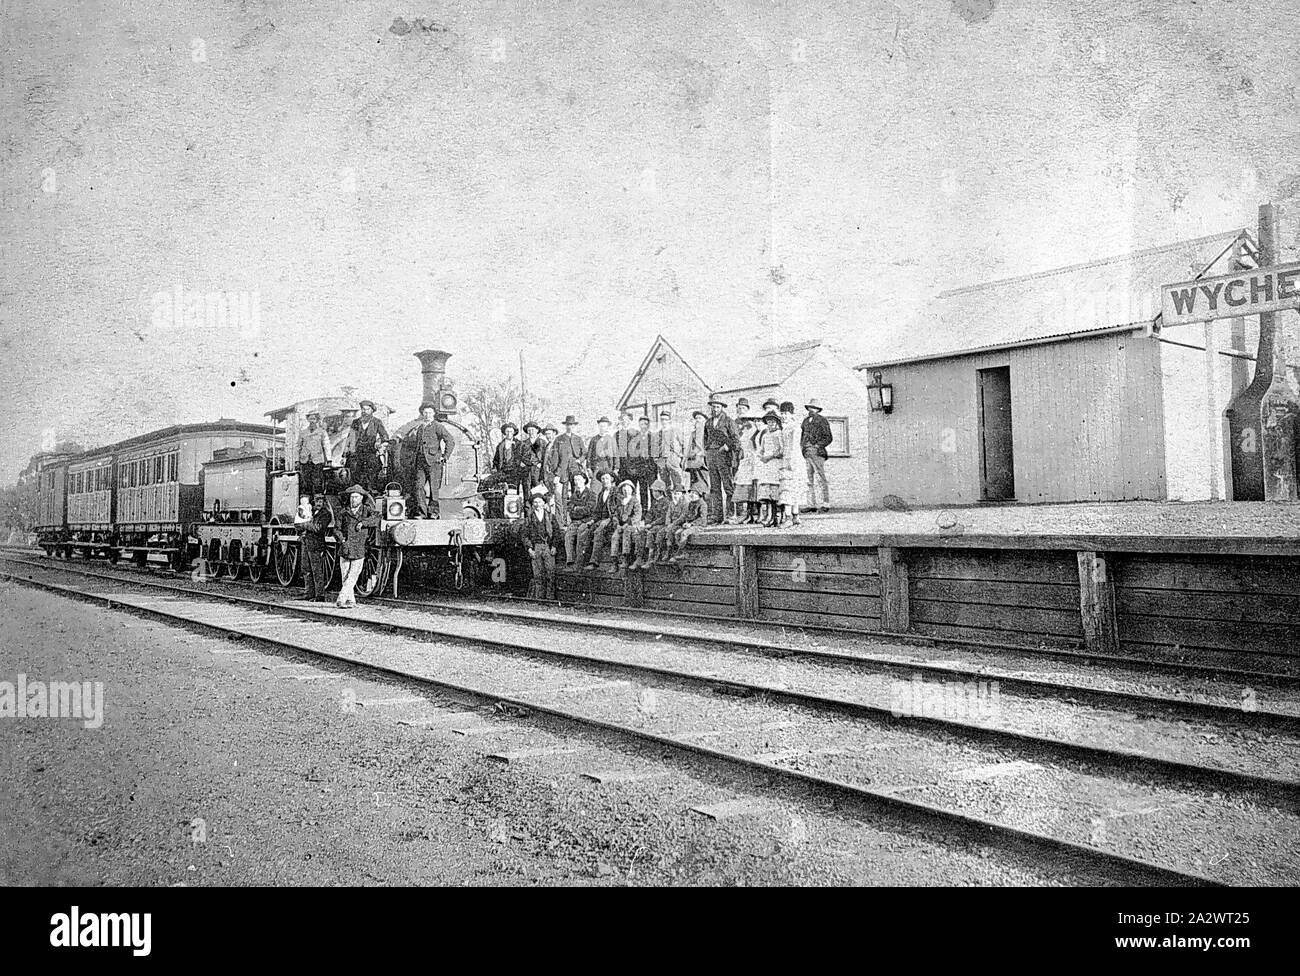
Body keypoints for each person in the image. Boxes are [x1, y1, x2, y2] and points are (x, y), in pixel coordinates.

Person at [335, 485, 379, 608]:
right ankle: (351, 600)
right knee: (345, 575)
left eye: (356, 497)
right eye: (351, 497)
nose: (353, 500)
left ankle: (341, 598)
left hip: (359, 547)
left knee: (353, 574)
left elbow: (376, 519)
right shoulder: (343, 512)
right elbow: (336, 529)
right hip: (345, 547)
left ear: (361, 498)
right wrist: (342, 539)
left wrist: (363, 523)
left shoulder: (366, 510)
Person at [410, 403, 455, 518]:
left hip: (434, 462)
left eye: (430, 413)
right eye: (425, 413)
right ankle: (422, 513)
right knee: (418, 487)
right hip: (420, 462)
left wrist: (445, 456)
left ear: (434, 414)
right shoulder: (420, 427)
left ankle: (433, 512)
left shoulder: (437, 426)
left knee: (434, 489)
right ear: (422, 413)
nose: (427, 415)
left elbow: (450, 440)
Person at [702, 395, 737, 524]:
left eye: (717, 407)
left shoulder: (728, 421)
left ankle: (730, 515)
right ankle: (717, 515)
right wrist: (707, 450)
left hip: (723, 456)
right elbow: (705, 438)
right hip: (711, 455)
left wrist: (727, 447)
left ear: (722, 407)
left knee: (728, 486)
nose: (715, 409)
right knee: (714, 487)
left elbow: (735, 439)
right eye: (713, 407)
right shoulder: (708, 422)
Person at [294, 494, 333, 602]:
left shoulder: (325, 514)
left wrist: (305, 525)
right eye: (317, 501)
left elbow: (318, 528)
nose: (319, 503)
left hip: (316, 545)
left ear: (324, 502)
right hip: (306, 543)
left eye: (321, 501)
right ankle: (309, 593)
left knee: (317, 571)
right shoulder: (311, 512)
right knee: (306, 569)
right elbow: (298, 525)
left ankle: (320, 595)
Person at [345, 400, 389, 493]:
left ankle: (371, 496)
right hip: (357, 454)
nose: (365, 411)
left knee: (372, 477)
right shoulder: (355, 422)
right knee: (355, 478)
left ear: (372, 410)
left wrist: (381, 446)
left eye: (367, 409)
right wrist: (345, 453)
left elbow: (385, 437)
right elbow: (350, 438)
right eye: (363, 409)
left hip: (371, 453)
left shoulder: (377, 422)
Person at [522, 491, 559, 600]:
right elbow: (524, 535)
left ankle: (550, 597)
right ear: (533, 504)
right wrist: (529, 549)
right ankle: (539, 597)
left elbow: (557, 533)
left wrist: (554, 546)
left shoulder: (550, 517)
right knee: (538, 574)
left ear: (543, 503)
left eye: (539, 502)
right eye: (535, 502)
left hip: (548, 546)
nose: (537, 504)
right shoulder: (529, 519)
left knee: (550, 573)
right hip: (536, 547)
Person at [801, 398, 833, 513]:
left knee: (820, 477)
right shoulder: (805, 421)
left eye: (814, 408)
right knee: (808, 479)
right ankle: (811, 504)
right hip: (806, 452)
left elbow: (828, 437)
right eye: (810, 407)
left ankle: (825, 503)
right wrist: (803, 448)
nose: (811, 410)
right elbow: (802, 436)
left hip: (817, 453)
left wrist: (817, 446)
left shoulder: (822, 420)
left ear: (818, 409)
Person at [606, 479, 643, 574]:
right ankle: (614, 562)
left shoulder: (635, 501)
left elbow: (637, 516)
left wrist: (628, 523)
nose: (626, 491)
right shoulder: (620, 502)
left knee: (627, 535)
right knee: (615, 537)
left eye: (628, 489)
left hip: (630, 526)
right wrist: (617, 525)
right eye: (624, 489)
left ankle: (625, 558)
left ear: (632, 490)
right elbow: (614, 515)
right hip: (620, 526)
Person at [563, 471, 599, 568]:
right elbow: (570, 510)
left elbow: (589, 510)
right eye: (575, 480)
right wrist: (578, 509)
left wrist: (576, 508)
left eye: (579, 479)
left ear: (584, 480)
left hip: (587, 521)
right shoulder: (574, 495)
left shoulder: (591, 494)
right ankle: (570, 561)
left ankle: (579, 562)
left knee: (581, 535)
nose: (577, 482)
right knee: (568, 535)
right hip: (575, 521)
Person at [730, 410, 759, 524]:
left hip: (752, 461)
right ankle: (747, 514)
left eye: (747, 419)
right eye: (743, 420)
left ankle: (753, 515)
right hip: (744, 461)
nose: (745, 422)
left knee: (752, 489)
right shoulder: (743, 431)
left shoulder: (754, 431)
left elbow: (755, 448)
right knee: (744, 489)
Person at [585, 471, 617, 570]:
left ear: (611, 479)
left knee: (598, 532)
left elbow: (618, 510)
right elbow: (597, 511)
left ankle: (594, 562)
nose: (604, 481)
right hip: (601, 520)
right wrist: (593, 520)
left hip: (613, 521)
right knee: (586, 532)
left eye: (607, 478)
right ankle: (584, 560)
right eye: (602, 479)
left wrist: (608, 520)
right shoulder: (601, 493)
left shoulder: (616, 492)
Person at [756, 411, 783, 526]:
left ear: (777, 422)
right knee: (768, 494)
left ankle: (778, 517)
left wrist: (770, 456)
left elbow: (781, 450)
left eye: (773, 421)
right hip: (767, 465)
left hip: (775, 463)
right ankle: (770, 516)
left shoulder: (779, 434)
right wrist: (761, 456)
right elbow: (761, 449)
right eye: (769, 421)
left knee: (775, 491)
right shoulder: (766, 435)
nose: (771, 423)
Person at [635, 478, 669, 569]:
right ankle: (639, 557)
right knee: (640, 533)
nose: (653, 493)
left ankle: (651, 558)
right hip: (653, 525)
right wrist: (647, 523)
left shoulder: (666, 502)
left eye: (655, 491)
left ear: (661, 492)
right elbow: (649, 514)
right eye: (653, 491)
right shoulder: (654, 502)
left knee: (650, 533)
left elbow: (663, 517)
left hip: (661, 525)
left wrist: (651, 524)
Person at [778, 401, 802, 526]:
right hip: (787, 458)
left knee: (790, 488)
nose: (783, 416)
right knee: (789, 487)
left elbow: (793, 446)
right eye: (782, 413)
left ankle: (791, 516)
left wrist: (790, 461)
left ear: (792, 414)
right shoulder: (785, 428)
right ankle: (794, 516)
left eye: (786, 413)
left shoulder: (794, 428)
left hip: (793, 459)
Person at [668, 488, 707, 563]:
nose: (692, 495)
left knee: (684, 533)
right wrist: (673, 524)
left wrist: (691, 524)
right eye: (691, 493)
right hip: (689, 525)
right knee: (677, 533)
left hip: (699, 526)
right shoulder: (690, 504)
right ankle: (681, 552)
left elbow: (702, 519)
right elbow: (684, 516)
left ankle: (681, 553)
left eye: (695, 493)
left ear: (699, 495)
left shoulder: (702, 504)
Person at [298, 411, 331, 498]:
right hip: (305, 460)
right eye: (310, 418)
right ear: (308, 419)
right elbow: (298, 446)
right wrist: (296, 460)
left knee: (317, 482)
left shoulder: (322, 432)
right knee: (305, 482)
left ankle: (317, 501)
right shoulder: (303, 432)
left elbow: (326, 446)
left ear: (317, 420)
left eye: (314, 419)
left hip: (317, 461)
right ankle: (306, 502)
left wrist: (329, 459)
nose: (312, 421)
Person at [552, 415, 589, 488]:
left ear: (574, 426)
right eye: (568, 425)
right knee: (564, 489)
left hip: (575, 466)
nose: (570, 427)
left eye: (572, 425)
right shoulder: (559, 439)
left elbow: (584, 453)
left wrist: (580, 460)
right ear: (565, 425)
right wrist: (556, 472)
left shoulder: (578, 439)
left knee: (576, 487)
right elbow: (555, 456)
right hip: (563, 466)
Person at [657, 410, 687, 492]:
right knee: (665, 484)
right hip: (662, 460)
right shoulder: (659, 433)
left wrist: (680, 458)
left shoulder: (675, 431)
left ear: (669, 420)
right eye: (662, 419)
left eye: (666, 419)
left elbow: (683, 444)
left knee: (678, 482)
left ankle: (680, 503)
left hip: (673, 458)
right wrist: (657, 460)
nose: (664, 421)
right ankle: (668, 503)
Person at [685, 408, 709, 496]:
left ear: (705, 421)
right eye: (696, 418)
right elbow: (689, 448)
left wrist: (702, 453)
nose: (697, 420)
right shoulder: (693, 434)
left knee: (704, 484)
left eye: (700, 418)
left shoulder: (708, 433)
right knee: (694, 485)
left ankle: (706, 506)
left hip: (704, 463)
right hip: (693, 463)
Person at [587, 416, 617, 481]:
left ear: (607, 427)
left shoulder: (611, 440)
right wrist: (589, 468)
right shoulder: (594, 439)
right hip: (596, 466)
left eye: (604, 426)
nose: (602, 428)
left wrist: (616, 469)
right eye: (601, 426)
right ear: (598, 426)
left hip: (608, 466)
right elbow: (589, 455)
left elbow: (616, 455)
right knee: (595, 487)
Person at [493, 422, 521, 487]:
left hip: (515, 472)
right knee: (503, 490)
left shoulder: (519, 444)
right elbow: (496, 459)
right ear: (504, 432)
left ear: (514, 432)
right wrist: (495, 468)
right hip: (503, 472)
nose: (509, 434)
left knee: (513, 490)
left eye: (511, 431)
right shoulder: (500, 445)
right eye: (507, 431)